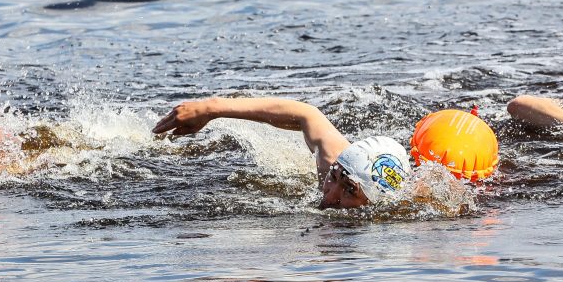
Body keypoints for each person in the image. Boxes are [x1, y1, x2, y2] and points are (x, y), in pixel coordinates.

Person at [153, 97, 413, 210]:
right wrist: (211, 108)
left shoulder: (400, 207)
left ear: (376, 199)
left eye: (349, 190)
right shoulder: (337, 159)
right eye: (333, 177)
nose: (330, 194)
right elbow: (306, 113)